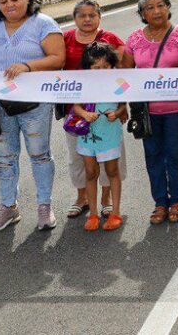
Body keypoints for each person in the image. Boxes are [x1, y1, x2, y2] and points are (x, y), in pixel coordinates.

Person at [0, 0, 65, 234]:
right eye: (3, 1)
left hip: (35, 104)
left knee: (40, 155)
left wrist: (27, 66)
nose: (9, 5)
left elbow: (58, 58)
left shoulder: (43, 24)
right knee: (5, 158)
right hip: (0, 105)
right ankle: (8, 207)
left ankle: (44, 207)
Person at [122, 0, 178, 225]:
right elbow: (125, 73)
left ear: (168, 7)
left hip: (177, 108)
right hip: (146, 112)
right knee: (153, 156)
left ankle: (177, 201)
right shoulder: (134, 39)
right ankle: (160, 202)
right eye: (149, 8)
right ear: (142, 13)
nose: (156, 11)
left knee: (174, 153)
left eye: (160, 5)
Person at [61, 0, 126, 220]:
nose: (87, 19)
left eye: (92, 15)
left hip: (107, 112)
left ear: (99, 16)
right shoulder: (65, 39)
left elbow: (126, 72)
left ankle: (106, 199)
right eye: (82, 15)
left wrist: (121, 107)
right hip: (78, 112)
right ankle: (82, 198)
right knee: (78, 158)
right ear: (74, 18)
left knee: (109, 159)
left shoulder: (111, 40)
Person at [73, 42, 127, 232]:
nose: (102, 71)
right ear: (88, 68)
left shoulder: (118, 82)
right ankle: (93, 214)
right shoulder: (83, 84)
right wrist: (85, 114)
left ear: (112, 65)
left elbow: (122, 105)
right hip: (87, 135)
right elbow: (76, 106)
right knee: (90, 173)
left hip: (110, 134)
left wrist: (117, 112)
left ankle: (116, 212)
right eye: (96, 67)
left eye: (106, 66)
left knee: (112, 171)